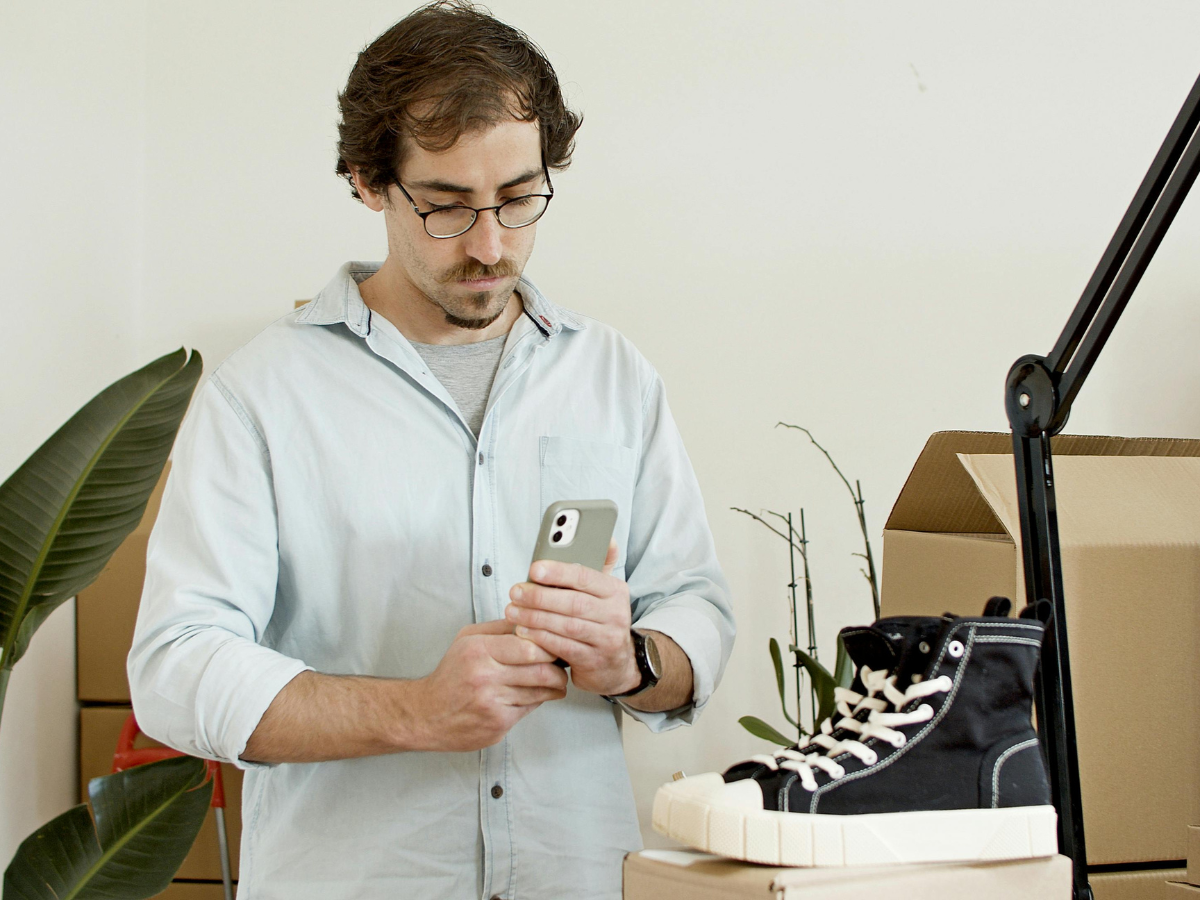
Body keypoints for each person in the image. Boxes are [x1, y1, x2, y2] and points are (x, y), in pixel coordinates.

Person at [127, 3, 735, 898]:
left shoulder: (615, 376)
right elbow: (176, 667)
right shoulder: (260, 395)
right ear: (367, 182)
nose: (491, 247)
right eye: (448, 207)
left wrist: (631, 662)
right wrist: (415, 710)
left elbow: (698, 609)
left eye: (519, 200)